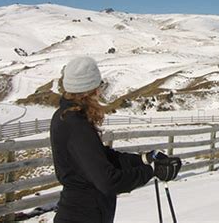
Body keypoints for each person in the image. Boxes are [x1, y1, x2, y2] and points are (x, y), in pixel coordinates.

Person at [50, 56, 182, 223]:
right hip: (83, 215)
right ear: (90, 90)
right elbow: (108, 182)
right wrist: (151, 171)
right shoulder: (76, 125)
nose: (100, 92)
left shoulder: (67, 117)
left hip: (82, 212)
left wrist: (144, 159)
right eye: (98, 87)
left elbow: (100, 157)